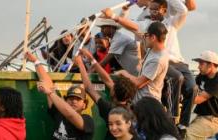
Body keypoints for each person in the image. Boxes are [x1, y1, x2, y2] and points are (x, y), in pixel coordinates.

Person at [102, 0, 196, 129]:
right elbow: (132, 26)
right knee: (176, 77)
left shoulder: (171, 22)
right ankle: (171, 117)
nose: (151, 12)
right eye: (150, 10)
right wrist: (116, 15)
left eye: (155, 10)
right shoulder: (148, 24)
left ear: (164, 9)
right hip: (165, 62)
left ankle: (183, 124)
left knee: (192, 88)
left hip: (179, 62)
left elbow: (186, 9)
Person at [26, 52, 94, 140]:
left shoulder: (88, 121)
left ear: (84, 105)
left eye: (78, 99)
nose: (74, 101)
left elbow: (70, 114)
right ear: (66, 101)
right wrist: (35, 61)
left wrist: (50, 93)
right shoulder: (59, 114)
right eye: (71, 98)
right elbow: (47, 83)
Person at [78, 48, 138, 139]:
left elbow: (88, 88)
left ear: (113, 93)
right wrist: (91, 58)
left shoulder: (109, 109)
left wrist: (80, 63)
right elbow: (107, 79)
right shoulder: (130, 106)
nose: (111, 85)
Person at [115, 22, 169, 103]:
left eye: (146, 35)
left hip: (147, 103)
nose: (144, 38)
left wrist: (123, 73)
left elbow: (138, 83)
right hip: (142, 101)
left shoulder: (158, 60)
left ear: (153, 37)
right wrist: (116, 19)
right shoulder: (153, 49)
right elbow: (138, 33)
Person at [185, 51, 218, 140]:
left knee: (187, 135)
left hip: (213, 120)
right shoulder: (201, 76)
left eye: (201, 63)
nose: (198, 66)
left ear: (211, 65)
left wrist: (178, 96)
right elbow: (192, 92)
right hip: (201, 118)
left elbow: (198, 99)